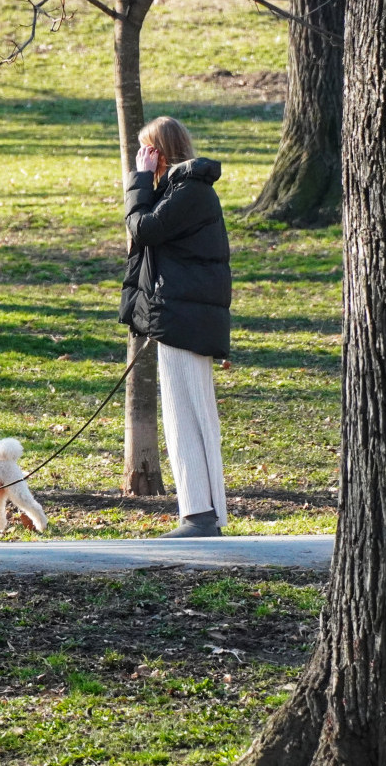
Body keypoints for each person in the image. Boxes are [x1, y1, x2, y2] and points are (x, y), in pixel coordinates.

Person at [119, 116, 232, 538]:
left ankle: (200, 515)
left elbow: (143, 228)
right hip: (186, 314)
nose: (143, 158)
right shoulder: (183, 191)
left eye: (146, 150)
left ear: (161, 152)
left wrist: (139, 180)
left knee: (187, 414)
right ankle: (205, 513)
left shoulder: (190, 192)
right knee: (190, 412)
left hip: (185, 317)